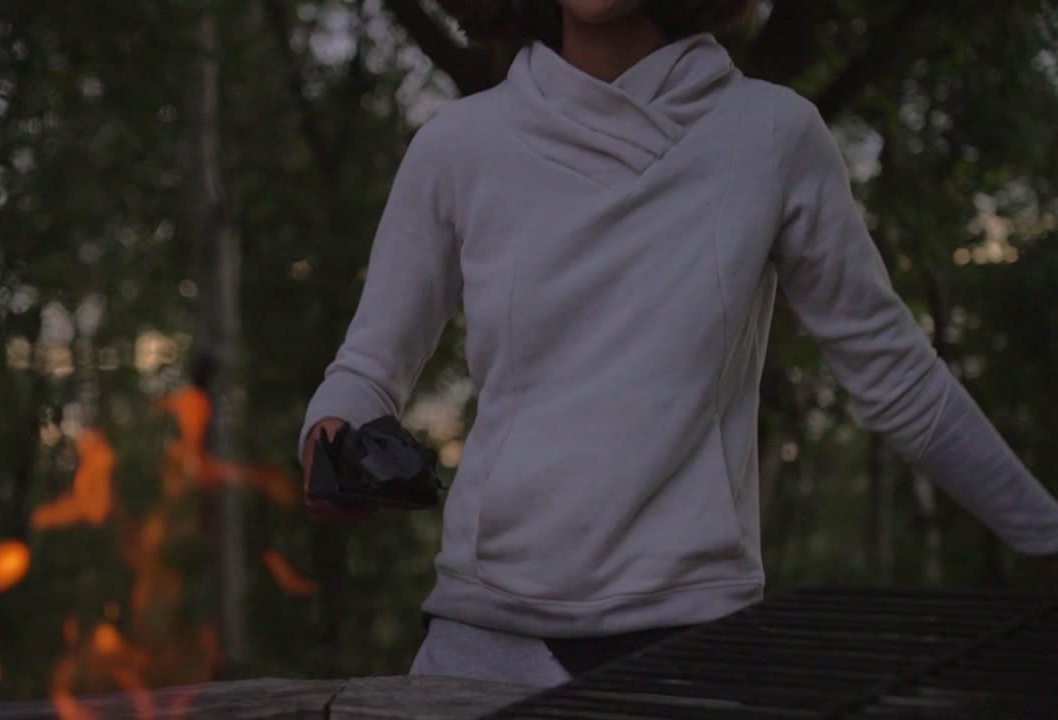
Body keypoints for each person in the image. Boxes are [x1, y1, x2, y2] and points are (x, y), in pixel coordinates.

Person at [297, 0, 1058, 687]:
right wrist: (331, 437)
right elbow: (368, 370)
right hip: (482, 649)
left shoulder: (773, 134)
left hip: (695, 652)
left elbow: (900, 382)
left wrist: (1045, 534)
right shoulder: (457, 145)